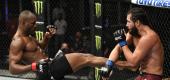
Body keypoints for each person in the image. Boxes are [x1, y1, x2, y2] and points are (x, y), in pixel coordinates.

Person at [9, 10, 107, 80]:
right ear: (23, 23)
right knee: (86, 58)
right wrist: (34, 66)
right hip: (46, 72)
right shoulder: (17, 41)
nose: (35, 25)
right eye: (33, 23)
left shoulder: (29, 36)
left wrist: (47, 37)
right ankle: (115, 63)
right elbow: (12, 68)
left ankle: (113, 63)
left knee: (86, 57)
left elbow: (41, 47)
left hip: (50, 66)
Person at [100, 7, 164, 80]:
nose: (126, 25)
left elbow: (134, 63)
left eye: (129, 22)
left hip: (152, 76)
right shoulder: (133, 32)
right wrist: (108, 66)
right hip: (142, 75)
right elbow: (118, 48)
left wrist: (122, 43)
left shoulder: (148, 37)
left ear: (137, 22)